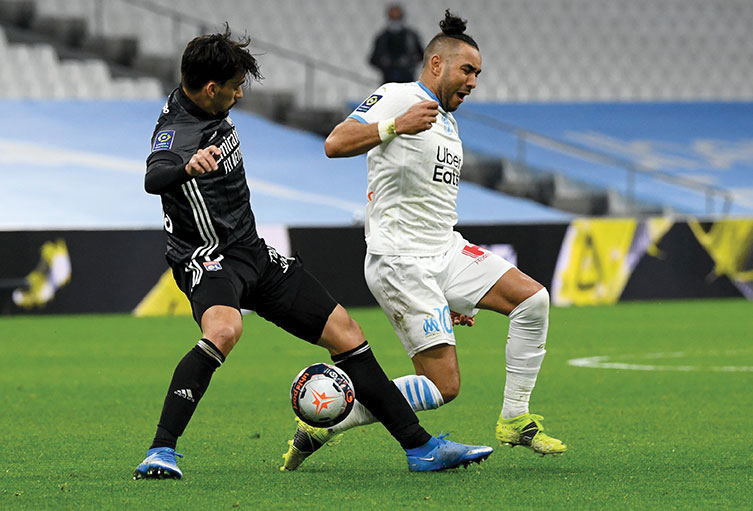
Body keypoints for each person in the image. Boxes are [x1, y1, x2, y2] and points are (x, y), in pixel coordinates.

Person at [132, 25, 493, 480]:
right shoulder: (178, 131)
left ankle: (420, 448)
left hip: (252, 252)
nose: (240, 94)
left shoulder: (203, 100)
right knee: (224, 330)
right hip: (207, 257)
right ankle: (160, 451)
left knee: (346, 333)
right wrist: (187, 167)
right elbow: (155, 176)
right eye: (235, 87)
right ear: (209, 89)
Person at [283, 11, 566, 470]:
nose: (473, 82)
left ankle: (515, 418)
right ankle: (329, 421)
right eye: (467, 70)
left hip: (445, 250)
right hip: (401, 259)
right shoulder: (399, 97)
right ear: (436, 63)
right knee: (443, 387)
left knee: (532, 300)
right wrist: (394, 125)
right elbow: (335, 143)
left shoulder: (447, 122)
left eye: (478, 74)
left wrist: (452, 291)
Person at [369, 4, 423, 84]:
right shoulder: (382, 38)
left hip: (408, 78)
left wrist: (409, 62)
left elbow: (421, 55)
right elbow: (373, 59)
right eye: (393, 18)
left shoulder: (411, 37)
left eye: (397, 18)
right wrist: (385, 64)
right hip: (388, 80)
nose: (395, 21)